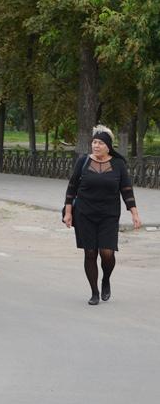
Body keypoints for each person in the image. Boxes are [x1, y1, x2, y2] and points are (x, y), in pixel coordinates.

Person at [63, 126, 141, 305]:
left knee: (107, 253)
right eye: (94, 142)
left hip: (109, 215)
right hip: (85, 213)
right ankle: (94, 292)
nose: (96, 146)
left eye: (100, 143)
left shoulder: (118, 164)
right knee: (90, 253)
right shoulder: (83, 161)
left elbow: (126, 190)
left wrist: (134, 214)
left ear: (108, 146)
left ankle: (106, 280)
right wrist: (68, 213)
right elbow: (72, 188)